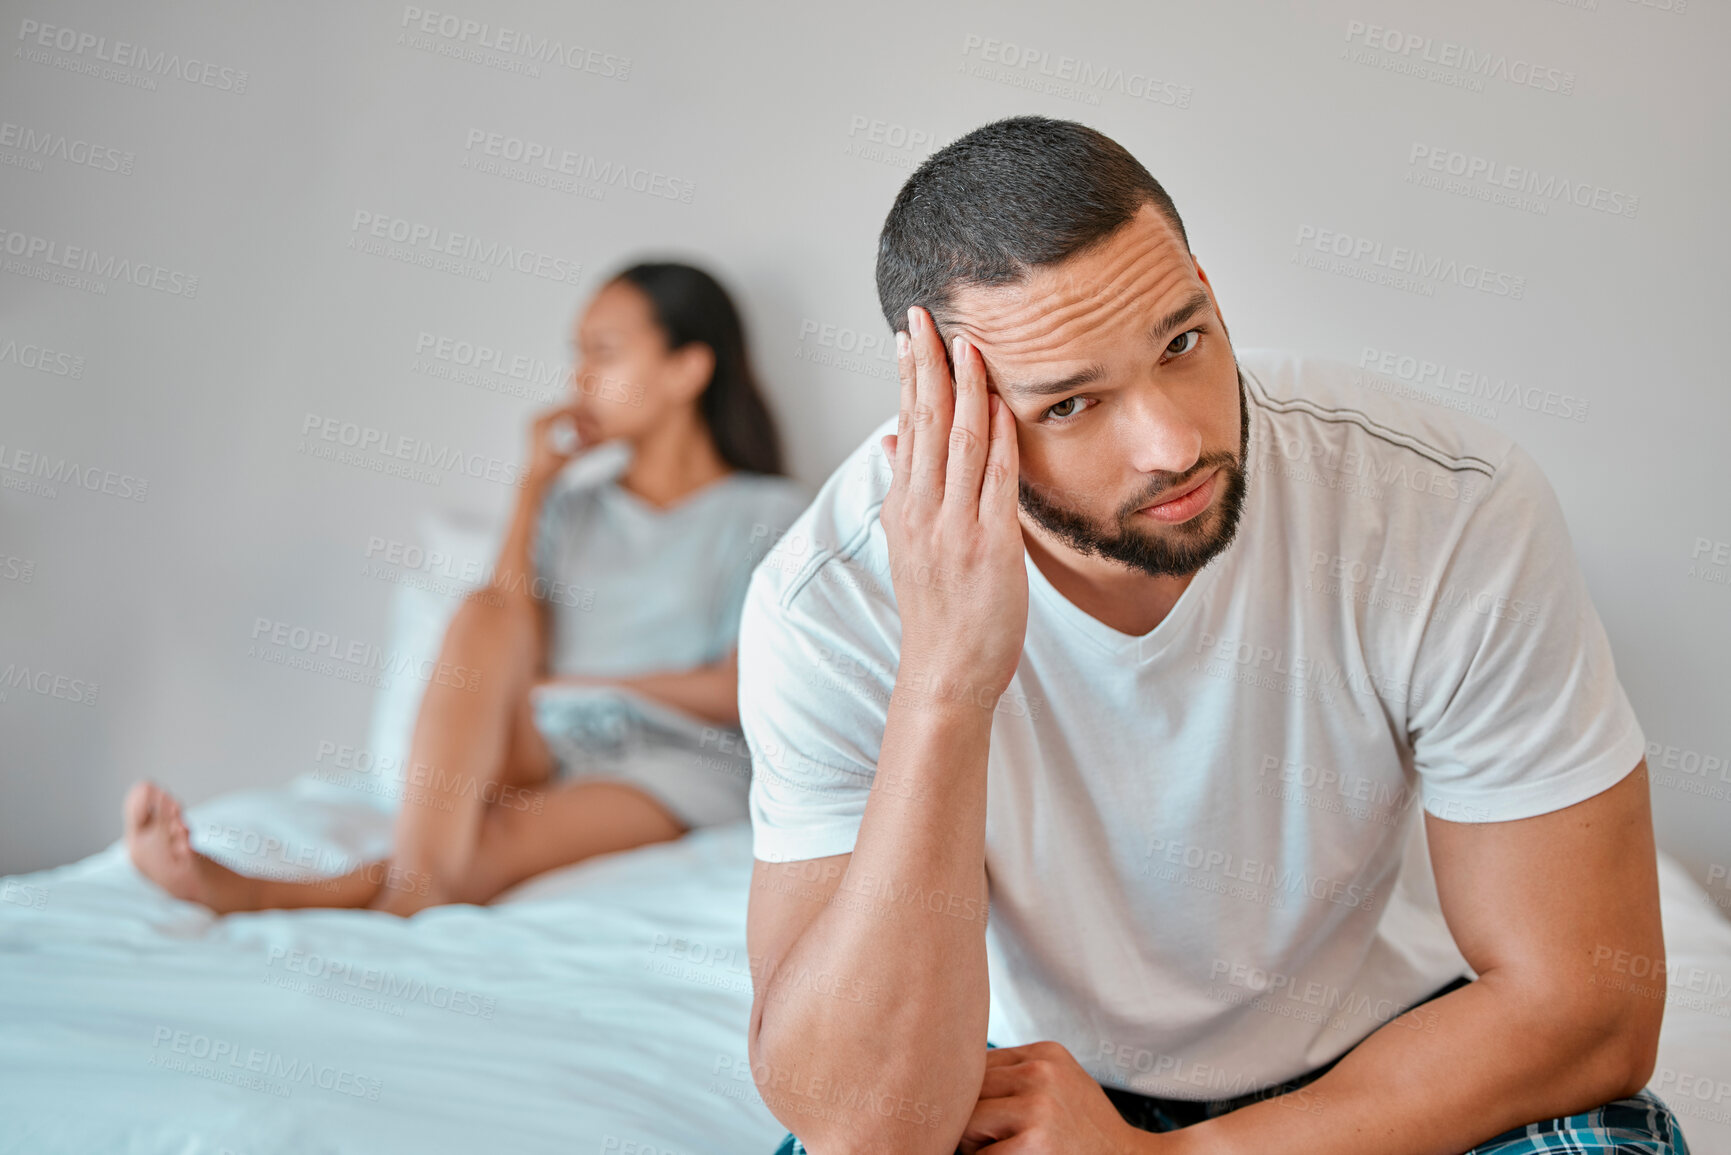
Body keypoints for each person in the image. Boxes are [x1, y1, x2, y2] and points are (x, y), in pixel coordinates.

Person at [741, 117, 1689, 1154]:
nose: (1174, 443)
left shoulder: (1441, 503)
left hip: (1398, 1058)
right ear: (947, 413)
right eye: (1070, 404)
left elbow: (1587, 1011)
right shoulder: (826, 604)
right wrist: (944, 682)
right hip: (1027, 1089)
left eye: (1182, 342)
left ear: (1208, 287)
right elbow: (861, 1129)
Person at [124, 261, 809, 917]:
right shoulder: (571, 507)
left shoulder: (766, 512)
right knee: (482, 609)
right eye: (576, 353)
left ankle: (256, 892)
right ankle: (376, 892)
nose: (579, 376)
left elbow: (738, 685)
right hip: (545, 740)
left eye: (604, 352)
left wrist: (580, 688)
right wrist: (534, 484)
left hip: (667, 757)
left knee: (479, 847)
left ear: (688, 368)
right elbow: (505, 631)